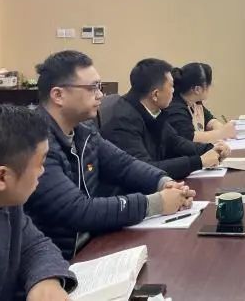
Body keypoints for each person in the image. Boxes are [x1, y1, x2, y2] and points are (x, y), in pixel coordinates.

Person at [25, 50, 194, 260]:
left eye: (100, 87)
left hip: (94, 243)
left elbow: (125, 165)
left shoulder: (84, 131)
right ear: (58, 95)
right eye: (92, 88)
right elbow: (77, 211)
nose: (100, 95)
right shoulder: (35, 142)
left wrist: (165, 183)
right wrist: (156, 203)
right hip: (60, 261)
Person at [0, 104, 77, 300]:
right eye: (40, 163)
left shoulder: (2, 202)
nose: (43, 172)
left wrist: (46, 280)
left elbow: (34, 246)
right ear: (1, 177)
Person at [102, 58, 230, 179]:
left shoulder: (154, 110)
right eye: (171, 86)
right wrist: (199, 162)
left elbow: (175, 142)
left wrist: (209, 149)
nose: (174, 91)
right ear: (156, 94)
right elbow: (144, 169)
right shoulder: (123, 120)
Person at [166, 62, 237, 144]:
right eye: (209, 85)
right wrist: (221, 133)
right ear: (197, 89)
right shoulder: (175, 108)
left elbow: (210, 120)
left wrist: (221, 128)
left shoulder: (195, 102)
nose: (210, 87)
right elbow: (189, 138)